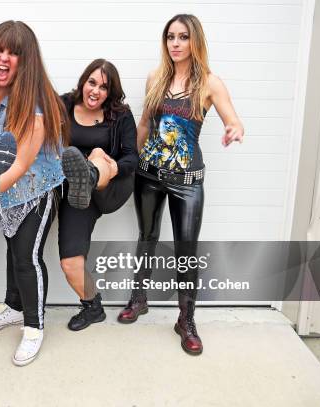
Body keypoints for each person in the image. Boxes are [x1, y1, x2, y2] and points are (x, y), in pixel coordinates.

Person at [117, 14, 244, 356]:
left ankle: (186, 320)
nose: (175, 43)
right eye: (170, 37)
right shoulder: (155, 78)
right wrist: (131, 160)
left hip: (187, 181)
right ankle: (139, 298)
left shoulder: (210, 83)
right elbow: (144, 124)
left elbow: (233, 119)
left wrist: (235, 130)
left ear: (194, 41)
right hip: (149, 176)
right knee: (146, 237)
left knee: (186, 252)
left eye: (182, 37)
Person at [0, 20, 69, 366]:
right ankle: (15, 308)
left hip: (35, 191)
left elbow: (19, 167)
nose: (3, 59)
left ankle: (34, 328)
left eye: (13, 53)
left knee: (26, 257)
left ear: (26, 61)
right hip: (1, 193)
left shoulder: (35, 108)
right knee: (11, 246)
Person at [58, 59, 138, 331]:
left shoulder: (121, 115)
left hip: (109, 185)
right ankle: (93, 307)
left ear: (110, 92)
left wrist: (110, 167)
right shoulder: (64, 105)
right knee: (70, 264)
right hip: (76, 194)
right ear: (83, 82)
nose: (96, 91)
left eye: (104, 87)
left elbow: (132, 158)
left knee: (96, 154)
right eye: (92, 83)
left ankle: (89, 172)